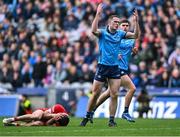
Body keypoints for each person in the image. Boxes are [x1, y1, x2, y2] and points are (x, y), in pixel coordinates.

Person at [80, 4, 139, 127]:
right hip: (102, 66)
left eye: (118, 22)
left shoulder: (120, 34)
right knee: (95, 93)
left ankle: (111, 120)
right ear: (109, 23)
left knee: (114, 94)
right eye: (115, 22)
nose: (117, 24)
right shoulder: (102, 33)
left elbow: (135, 35)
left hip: (114, 68)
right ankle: (87, 115)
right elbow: (93, 30)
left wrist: (136, 22)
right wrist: (97, 14)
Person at [3, 104, 69, 126]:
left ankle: (17, 125)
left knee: (38, 123)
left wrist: (53, 119)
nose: (55, 124)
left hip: (45, 120)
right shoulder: (58, 107)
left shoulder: (64, 120)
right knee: (36, 117)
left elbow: (47, 124)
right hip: (42, 111)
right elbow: (44, 114)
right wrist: (53, 116)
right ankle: (13, 119)